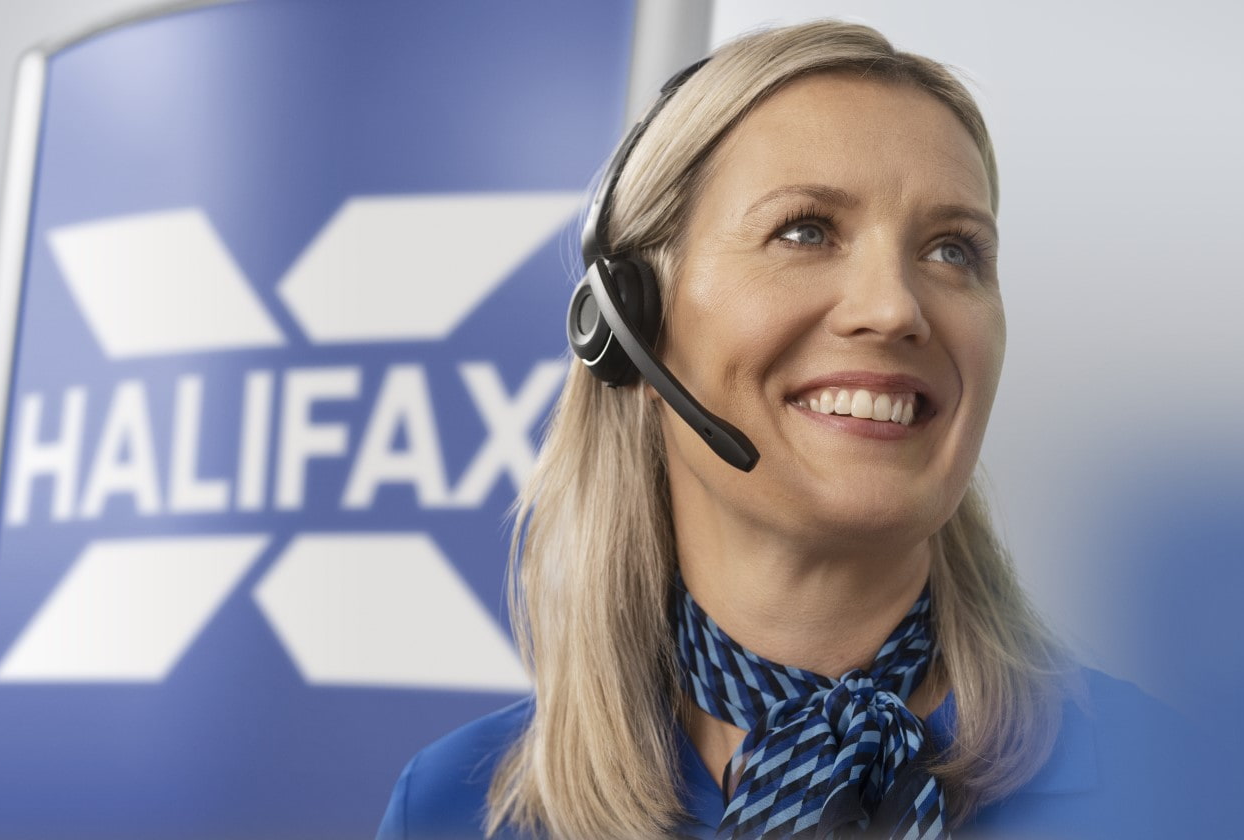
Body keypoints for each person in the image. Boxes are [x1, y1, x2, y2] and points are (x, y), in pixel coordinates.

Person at [378, 20, 1189, 840]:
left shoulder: (1185, 785)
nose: (894, 308)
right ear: (632, 326)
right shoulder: (459, 807)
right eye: (804, 231)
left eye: (952, 251)